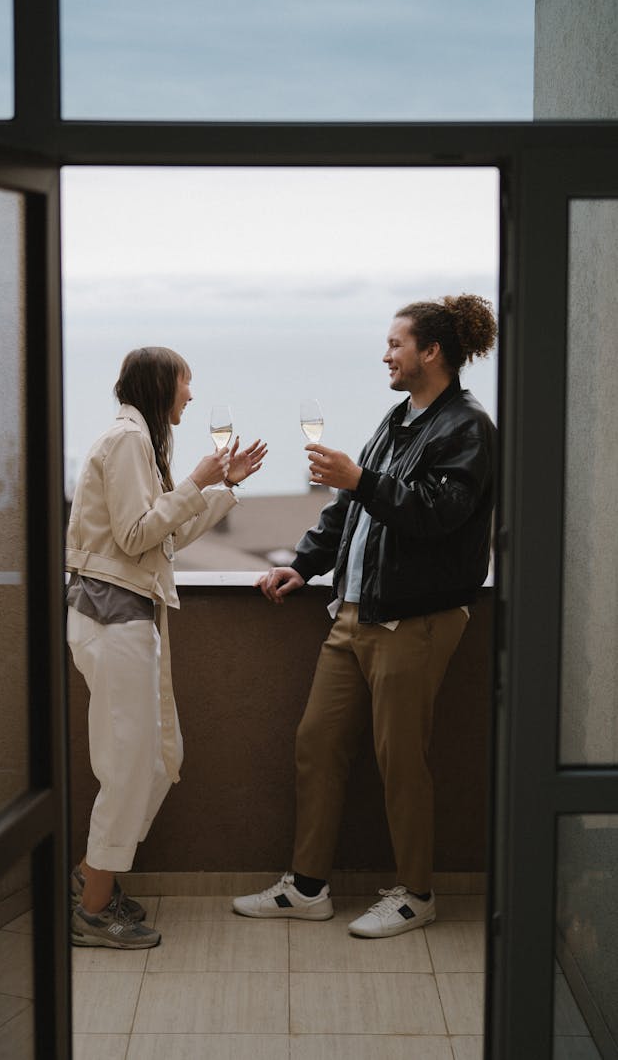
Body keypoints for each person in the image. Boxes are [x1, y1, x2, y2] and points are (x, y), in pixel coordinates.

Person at [233, 294, 496, 938]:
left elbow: (439, 514)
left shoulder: (468, 426)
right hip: (352, 615)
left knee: (401, 759)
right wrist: (304, 564)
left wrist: (360, 481)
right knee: (316, 743)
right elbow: (350, 512)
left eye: (395, 344)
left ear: (430, 352)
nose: (385, 354)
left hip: (415, 621)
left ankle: (417, 894)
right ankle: (309, 887)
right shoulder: (398, 416)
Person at [66, 346, 266, 949]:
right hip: (115, 620)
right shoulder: (127, 442)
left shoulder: (142, 445)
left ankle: (89, 877)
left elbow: (168, 534)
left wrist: (220, 488)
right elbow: (133, 537)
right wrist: (198, 481)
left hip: (129, 620)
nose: (191, 395)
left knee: (155, 763)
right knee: (131, 768)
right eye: (186, 383)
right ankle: (92, 911)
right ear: (160, 385)